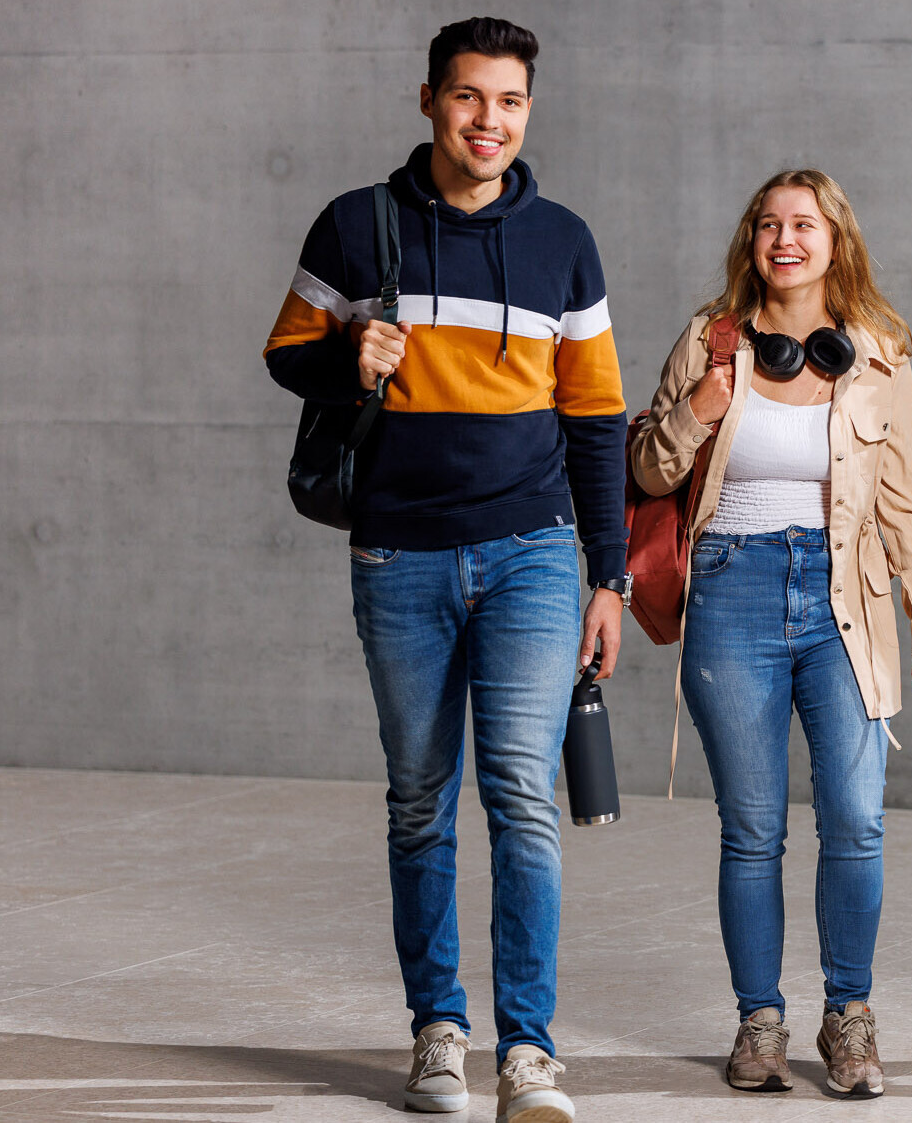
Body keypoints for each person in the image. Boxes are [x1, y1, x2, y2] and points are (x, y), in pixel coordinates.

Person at [262, 17, 629, 1123]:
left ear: (529, 110)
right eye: (470, 98)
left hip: (530, 554)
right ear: (429, 100)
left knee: (521, 795)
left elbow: (600, 421)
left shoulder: (565, 240)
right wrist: (345, 352)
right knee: (420, 801)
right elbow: (286, 353)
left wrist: (606, 576)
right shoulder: (355, 226)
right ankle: (438, 1030)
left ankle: (528, 1051)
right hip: (399, 555)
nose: (490, 122)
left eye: (510, 102)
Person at [629, 170, 912, 1099]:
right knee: (753, 828)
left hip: (845, 592)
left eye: (803, 224)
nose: (784, 238)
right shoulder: (710, 339)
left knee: (855, 819)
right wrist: (697, 410)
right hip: (731, 589)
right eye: (768, 223)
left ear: (835, 239)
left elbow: (908, 500)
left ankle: (848, 1017)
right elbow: (648, 474)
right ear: (752, 240)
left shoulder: (879, 352)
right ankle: (758, 1021)